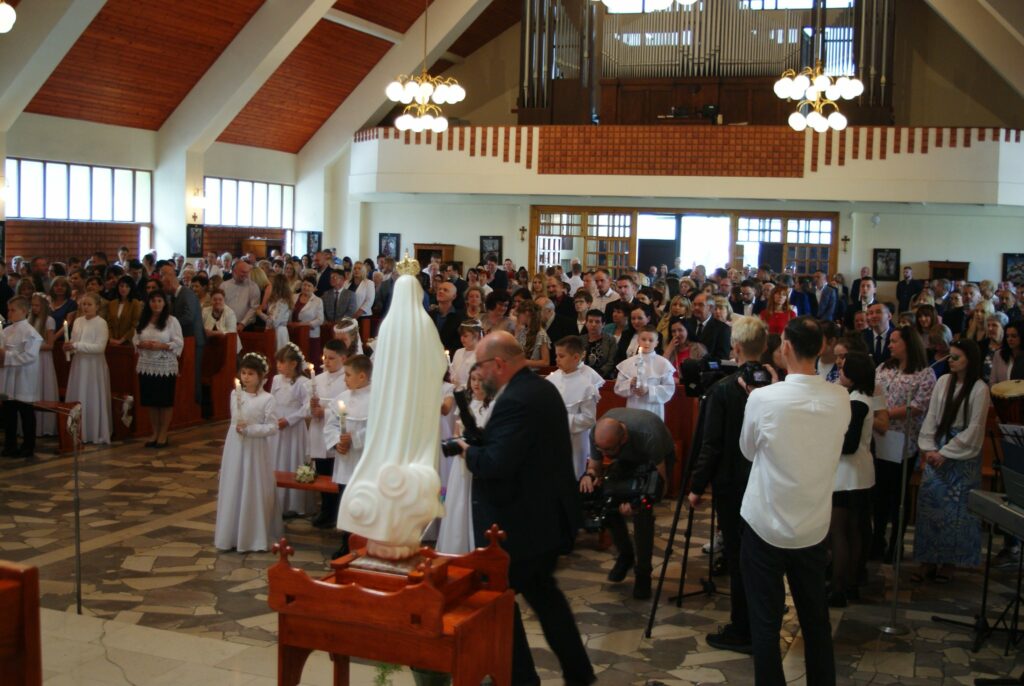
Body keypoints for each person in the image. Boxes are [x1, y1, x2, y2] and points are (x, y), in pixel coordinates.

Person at [456, 332, 594, 686]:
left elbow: (496, 463)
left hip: (520, 526)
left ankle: (522, 678)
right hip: (543, 519)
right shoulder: (541, 389)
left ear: (498, 364)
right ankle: (578, 674)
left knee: (496, 601)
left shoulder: (516, 400)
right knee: (544, 597)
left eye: (480, 365)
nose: (478, 373)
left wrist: (468, 452)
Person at [738, 316, 850, 686]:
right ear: (822, 348)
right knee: (816, 619)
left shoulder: (763, 398)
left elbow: (748, 450)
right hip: (812, 524)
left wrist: (762, 398)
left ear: (784, 347)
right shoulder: (840, 397)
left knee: (765, 622)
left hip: (765, 521)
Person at [687, 315, 769, 654]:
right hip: (766, 481)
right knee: (761, 554)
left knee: (738, 556)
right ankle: (763, 617)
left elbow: (712, 444)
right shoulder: (775, 384)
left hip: (733, 482)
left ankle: (742, 628)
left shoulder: (722, 390)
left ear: (735, 347)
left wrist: (696, 486)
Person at [914, 339, 989, 583]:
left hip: (961, 454)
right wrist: (929, 448)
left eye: (957, 357)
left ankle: (949, 563)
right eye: (950, 357)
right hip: (937, 446)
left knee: (957, 512)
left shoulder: (979, 389)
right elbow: (931, 417)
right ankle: (927, 559)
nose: (951, 361)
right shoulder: (943, 381)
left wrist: (945, 452)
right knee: (930, 505)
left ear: (970, 360)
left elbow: (975, 428)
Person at [586, 408, 673, 600]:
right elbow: (595, 465)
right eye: (601, 449)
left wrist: (639, 503)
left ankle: (643, 573)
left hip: (654, 462)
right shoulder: (598, 434)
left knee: (643, 515)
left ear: (623, 439)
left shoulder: (650, 435)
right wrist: (590, 476)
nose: (604, 454)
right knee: (609, 503)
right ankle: (625, 555)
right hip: (625, 460)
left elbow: (660, 485)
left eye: (608, 450)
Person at [871, 325, 935, 562]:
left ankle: (896, 544)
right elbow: (872, 392)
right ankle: (877, 540)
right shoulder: (883, 368)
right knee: (879, 493)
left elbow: (918, 406)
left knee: (898, 494)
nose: (889, 345)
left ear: (908, 343)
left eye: (894, 341)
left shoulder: (924, 374)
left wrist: (885, 413)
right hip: (878, 437)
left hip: (903, 441)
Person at [828, 352, 882, 607]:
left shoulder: (857, 402)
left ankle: (839, 588)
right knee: (853, 530)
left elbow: (848, 444)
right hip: (858, 473)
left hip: (848, 474)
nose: (840, 372)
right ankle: (850, 583)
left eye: (844, 368)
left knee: (840, 531)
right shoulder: (860, 397)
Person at [214, 353, 282, 552]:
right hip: (235, 446)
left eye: (251, 373)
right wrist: (239, 429)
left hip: (255, 450)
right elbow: (234, 421)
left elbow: (272, 427)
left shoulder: (267, 399)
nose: (245, 377)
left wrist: (250, 430)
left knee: (252, 486)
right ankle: (231, 534)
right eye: (243, 373)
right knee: (234, 485)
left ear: (261, 376)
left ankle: (253, 536)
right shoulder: (235, 394)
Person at [437, 365, 494, 555]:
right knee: (458, 503)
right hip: (461, 461)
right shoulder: (467, 404)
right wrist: (459, 442)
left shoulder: (493, 406)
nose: (476, 384)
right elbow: (456, 431)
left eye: (481, 380)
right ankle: (457, 546)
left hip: (478, 460)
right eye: (473, 379)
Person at [324, 354, 372, 557]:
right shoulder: (342, 398)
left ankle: (364, 544)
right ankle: (346, 542)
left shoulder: (377, 398)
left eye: (348, 375)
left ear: (362, 376)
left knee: (364, 503)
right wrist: (337, 442)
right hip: (345, 462)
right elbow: (330, 425)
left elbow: (379, 428)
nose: (345, 379)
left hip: (364, 461)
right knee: (346, 502)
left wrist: (355, 439)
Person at [547, 336, 604, 478]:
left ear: (576, 357)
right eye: (556, 355)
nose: (557, 360)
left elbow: (589, 419)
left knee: (571, 476)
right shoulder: (551, 379)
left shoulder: (586, 387)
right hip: (551, 439)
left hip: (574, 442)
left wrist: (562, 420)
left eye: (561, 356)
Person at [133, 291, 183, 448]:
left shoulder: (171, 321)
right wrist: (141, 344)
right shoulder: (144, 320)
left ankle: (163, 433)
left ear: (164, 303)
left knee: (164, 401)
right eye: (153, 301)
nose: (156, 304)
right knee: (152, 401)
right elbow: (135, 338)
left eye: (159, 301)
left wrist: (162, 345)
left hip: (165, 365)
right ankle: (154, 432)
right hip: (147, 364)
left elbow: (179, 342)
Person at [309, 339, 350, 529]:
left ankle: (338, 512)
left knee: (337, 475)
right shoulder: (317, 379)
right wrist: (311, 408)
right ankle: (326, 510)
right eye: (325, 357)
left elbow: (347, 407)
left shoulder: (347, 380)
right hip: (319, 433)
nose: (326, 361)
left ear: (343, 358)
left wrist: (324, 412)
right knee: (322, 472)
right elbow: (308, 406)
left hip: (338, 434)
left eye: (331, 358)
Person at [63, 292, 111, 445]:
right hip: (79, 365)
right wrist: (69, 348)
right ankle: (77, 431)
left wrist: (76, 345)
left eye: (89, 304)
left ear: (97, 306)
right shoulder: (78, 321)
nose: (86, 307)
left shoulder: (101, 323)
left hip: (93, 367)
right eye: (83, 304)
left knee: (92, 395)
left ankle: (92, 431)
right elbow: (73, 342)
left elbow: (100, 347)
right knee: (79, 394)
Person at [272, 343, 313, 517]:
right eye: (278, 362)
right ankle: (277, 502)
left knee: (291, 459)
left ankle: (293, 504)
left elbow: (307, 407)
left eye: (282, 362)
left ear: (294, 364)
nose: (279, 366)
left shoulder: (304, 383)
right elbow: (271, 400)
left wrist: (289, 420)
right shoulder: (276, 379)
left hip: (293, 428)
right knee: (277, 459)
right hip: (277, 426)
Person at [0, 297, 42, 458]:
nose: (9, 313)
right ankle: (10, 445)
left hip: (24, 377)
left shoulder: (31, 333)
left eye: (13, 310)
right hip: (8, 377)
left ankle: (28, 446)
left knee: (26, 413)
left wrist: (6, 356)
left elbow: (30, 356)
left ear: (24, 311)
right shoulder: (6, 331)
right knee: (9, 413)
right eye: (8, 310)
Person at [614, 326, 675, 419]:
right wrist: (630, 383)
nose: (647, 343)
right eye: (643, 339)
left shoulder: (663, 364)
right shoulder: (628, 363)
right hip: (633, 406)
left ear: (656, 343)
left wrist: (649, 390)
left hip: (653, 408)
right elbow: (618, 388)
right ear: (638, 340)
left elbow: (669, 389)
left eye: (651, 340)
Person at [28, 293, 58, 437]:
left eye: (37, 305)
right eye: (32, 305)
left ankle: (45, 426)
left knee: (42, 387)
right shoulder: (30, 320)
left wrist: (31, 347)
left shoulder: (49, 321)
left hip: (43, 359)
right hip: (31, 360)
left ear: (44, 306)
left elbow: (50, 345)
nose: (34, 308)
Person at [292, 275, 324, 373]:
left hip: (311, 334)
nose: (306, 287)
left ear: (314, 288)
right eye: (304, 285)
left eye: (309, 286)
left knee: (312, 359)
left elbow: (320, 319)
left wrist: (304, 325)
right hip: (294, 332)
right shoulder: (294, 297)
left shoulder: (318, 301)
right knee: (295, 358)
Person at [685, 293, 732, 360]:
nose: (696, 308)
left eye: (700, 305)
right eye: (694, 304)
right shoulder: (686, 324)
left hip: (708, 366)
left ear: (710, 308)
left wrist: (706, 356)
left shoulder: (722, 329)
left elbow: (722, 359)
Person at [514, 300, 551, 368]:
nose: (518, 317)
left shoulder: (541, 335)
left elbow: (545, 362)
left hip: (533, 372)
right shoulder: (523, 331)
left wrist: (524, 362)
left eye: (519, 314)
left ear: (527, 313)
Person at [106, 275, 142, 345]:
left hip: (129, 342)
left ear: (131, 288)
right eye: (121, 286)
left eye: (127, 286)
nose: (123, 288)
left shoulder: (135, 303)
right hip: (112, 342)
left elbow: (135, 325)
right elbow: (109, 323)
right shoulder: (112, 303)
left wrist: (122, 340)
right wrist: (111, 338)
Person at [450, 319, 482, 390]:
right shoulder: (458, 352)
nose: (462, 339)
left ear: (476, 335)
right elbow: (452, 371)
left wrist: (461, 387)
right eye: (461, 336)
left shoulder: (481, 355)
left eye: (465, 336)